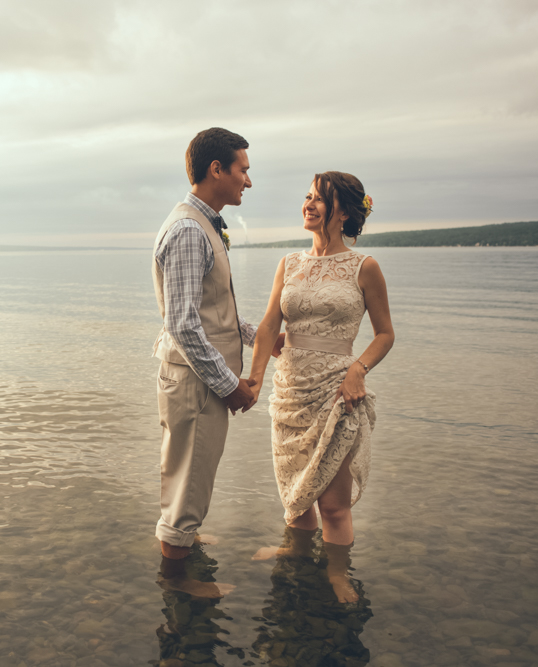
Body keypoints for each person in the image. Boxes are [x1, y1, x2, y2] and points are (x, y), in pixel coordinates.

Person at [247, 171, 394, 602]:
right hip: (290, 390)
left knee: (332, 505)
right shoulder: (289, 263)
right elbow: (270, 324)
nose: (308, 205)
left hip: (336, 391)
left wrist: (359, 370)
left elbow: (385, 333)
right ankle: (295, 555)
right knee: (296, 500)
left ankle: (336, 573)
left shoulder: (365, 267)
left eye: (319, 200)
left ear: (343, 212)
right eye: (307, 197)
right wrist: (254, 381)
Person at [151, 127, 282, 564]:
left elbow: (210, 308)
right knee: (188, 480)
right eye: (243, 169)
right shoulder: (190, 231)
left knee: (190, 475)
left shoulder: (202, 224)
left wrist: (259, 337)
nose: (248, 180)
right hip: (197, 383)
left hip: (196, 380)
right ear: (216, 169)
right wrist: (230, 386)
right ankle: (179, 577)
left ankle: (182, 540)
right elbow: (185, 326)